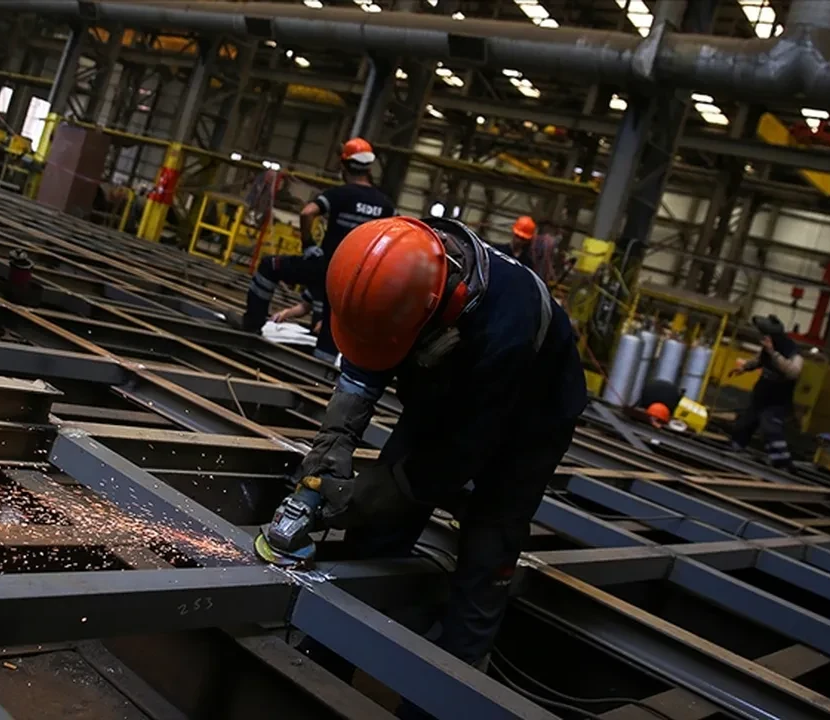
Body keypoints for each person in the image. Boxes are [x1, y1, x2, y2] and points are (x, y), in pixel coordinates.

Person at [287, 215, 587, 702]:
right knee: (377, 533)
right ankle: (328, 653)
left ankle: (449, 686)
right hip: (447, 383)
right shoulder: (397, 261)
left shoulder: (508, 325)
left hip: (532, 417)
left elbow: (457, 457)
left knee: (489, 543)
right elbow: (362, 371)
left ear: (433, 316)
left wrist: (364, 497)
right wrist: (330, 451)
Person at [243, 137, 394, 362]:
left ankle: (251, 326)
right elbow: (394, 235)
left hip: (327, 267)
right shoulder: (385, 205)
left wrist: (309, 245)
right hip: (355, 280)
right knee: (333, 317)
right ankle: (323, 364)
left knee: (269, 266)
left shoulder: (339, 194)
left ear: (344, 166)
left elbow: (307, 212)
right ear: (369, 168)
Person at [728, 314, 802, 468]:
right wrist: (744, 367)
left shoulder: (792, 351)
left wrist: (773, 353)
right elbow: (759, 360)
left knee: (770, 427)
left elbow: (793, 372)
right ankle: (736, 448)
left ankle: (782, 463)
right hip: (761, 394)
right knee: (746, 422)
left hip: (778, 399)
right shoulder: (766, 350)